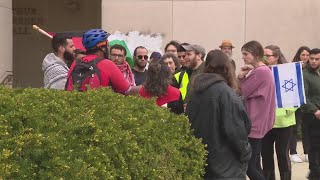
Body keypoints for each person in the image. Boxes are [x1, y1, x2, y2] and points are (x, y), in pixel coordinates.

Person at [186, 50, 251, 179]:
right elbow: (236, 132)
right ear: (227, 68)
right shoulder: (225, 93)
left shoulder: (195, 92)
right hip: (225, 168)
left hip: (202, 163)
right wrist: (246, 153)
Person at [238, 40, 275, 180]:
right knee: (254, 164)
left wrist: (241, 77)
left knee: (249, 166)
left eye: (245, 54)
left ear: (254, 54)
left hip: (254, 123)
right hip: (257, 121)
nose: (243, 57)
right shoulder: (261, 70)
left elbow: (243, 91)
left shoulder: (260, 72)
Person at [66, 29, 140, 95]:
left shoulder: (76, 62)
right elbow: (128, 90)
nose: (109, 48)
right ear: (102, 47)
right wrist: (147, 87)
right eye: (108, 45)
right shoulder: (107, 64)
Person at [261, 45, 294, 180]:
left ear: (276, 57)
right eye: (263, 55)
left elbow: (296, 95)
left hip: (284, 122)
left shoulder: (288, 73)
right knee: (266, 155)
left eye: (267, 55)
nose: (264, 58)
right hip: (265, 122)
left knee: (282, 154)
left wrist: (287, 110)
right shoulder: (261, 71)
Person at [301, 48, 320, 180]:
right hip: (312, 115)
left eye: (317, 59)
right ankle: (314, 173)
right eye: (311, 58)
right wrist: (315, 110)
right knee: (314, 146)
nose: (313, 61)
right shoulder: (304, 73)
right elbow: (303, 97)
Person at [290, 46, 311, 163]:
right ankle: (293, 152)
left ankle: (308, 152)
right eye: (303, 55)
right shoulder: (293, 67)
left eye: (307, 55)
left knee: (306, 128)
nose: (306, 57)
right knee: (294, 127)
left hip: (307, 103)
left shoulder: (311, 68)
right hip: (296, 102)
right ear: (299, 55)